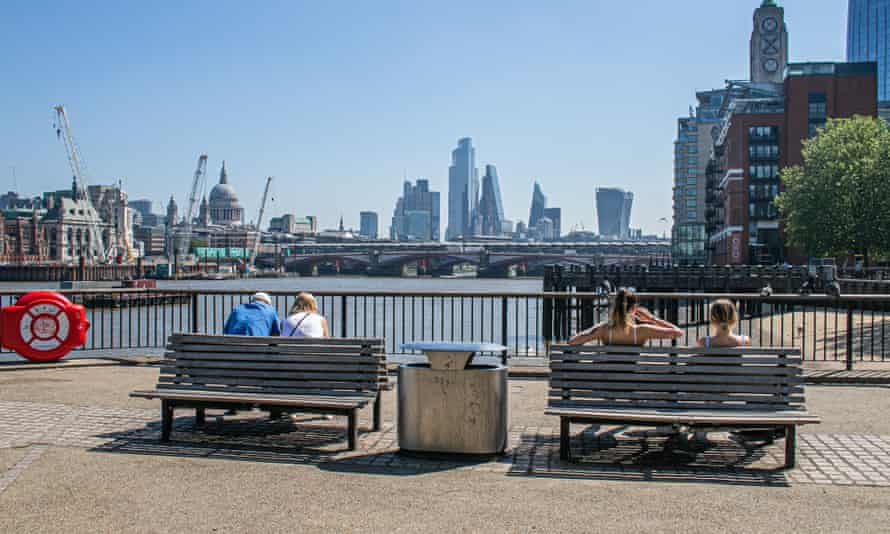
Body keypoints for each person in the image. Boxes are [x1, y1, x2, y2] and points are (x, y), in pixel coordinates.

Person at [568, 287, 683, 346]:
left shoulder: (604, 329)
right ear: (633, 309)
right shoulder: (642, 331)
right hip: (634, 384)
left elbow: (573, 341)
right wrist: (652, 319)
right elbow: (678, 332)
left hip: (606, 382)